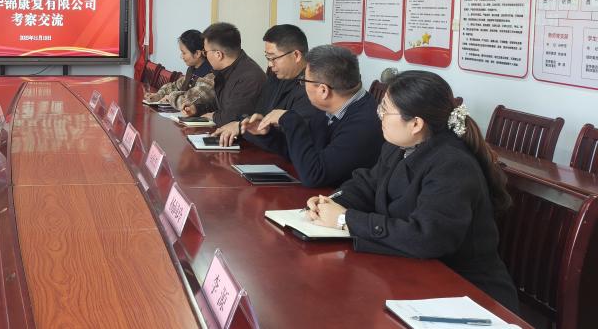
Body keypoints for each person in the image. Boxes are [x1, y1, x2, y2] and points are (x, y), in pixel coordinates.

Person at [305, 71, 519, 312]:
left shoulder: (452, 165)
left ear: (416, 124)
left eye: (385, 110)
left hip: (466, 293)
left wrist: (345, 219)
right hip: (414, 273)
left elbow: (426, 237)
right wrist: (329, 202)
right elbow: (367, 184)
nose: (379, 116)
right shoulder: (398, 146)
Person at [233, 45, 381, 186]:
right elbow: (303, 153)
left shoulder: (363, 124)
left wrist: (290, 120)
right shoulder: (330, 106)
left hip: (335, 199)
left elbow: (314, 175)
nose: (302, 86)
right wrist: (267, 134)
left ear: (323, 90)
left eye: (304, 81)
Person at [214, 24, 312, 146]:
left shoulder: (311, 88)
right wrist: (241, 125)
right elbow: (259, 114)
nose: (270, 64)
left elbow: (294, 140)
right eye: (268, 57)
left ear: (296, 55)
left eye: (273, 58)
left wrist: (243, 128)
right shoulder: (276, 77)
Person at [182, 22, 266, 126]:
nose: (205, 56)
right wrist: (197, 109)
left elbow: (233, 118)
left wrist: (213, 116)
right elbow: (222, 103)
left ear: (218, 54)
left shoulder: (249, 77)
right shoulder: (227, 70)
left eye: (206, 52)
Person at [143, 29, 215, 111]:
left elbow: (187, 102)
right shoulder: (192, 69)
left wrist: (170, 97)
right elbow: (175, 86)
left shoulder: (210, 77)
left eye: (184, 53)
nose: (181, 57)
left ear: (197, 53)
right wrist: (159, 95)